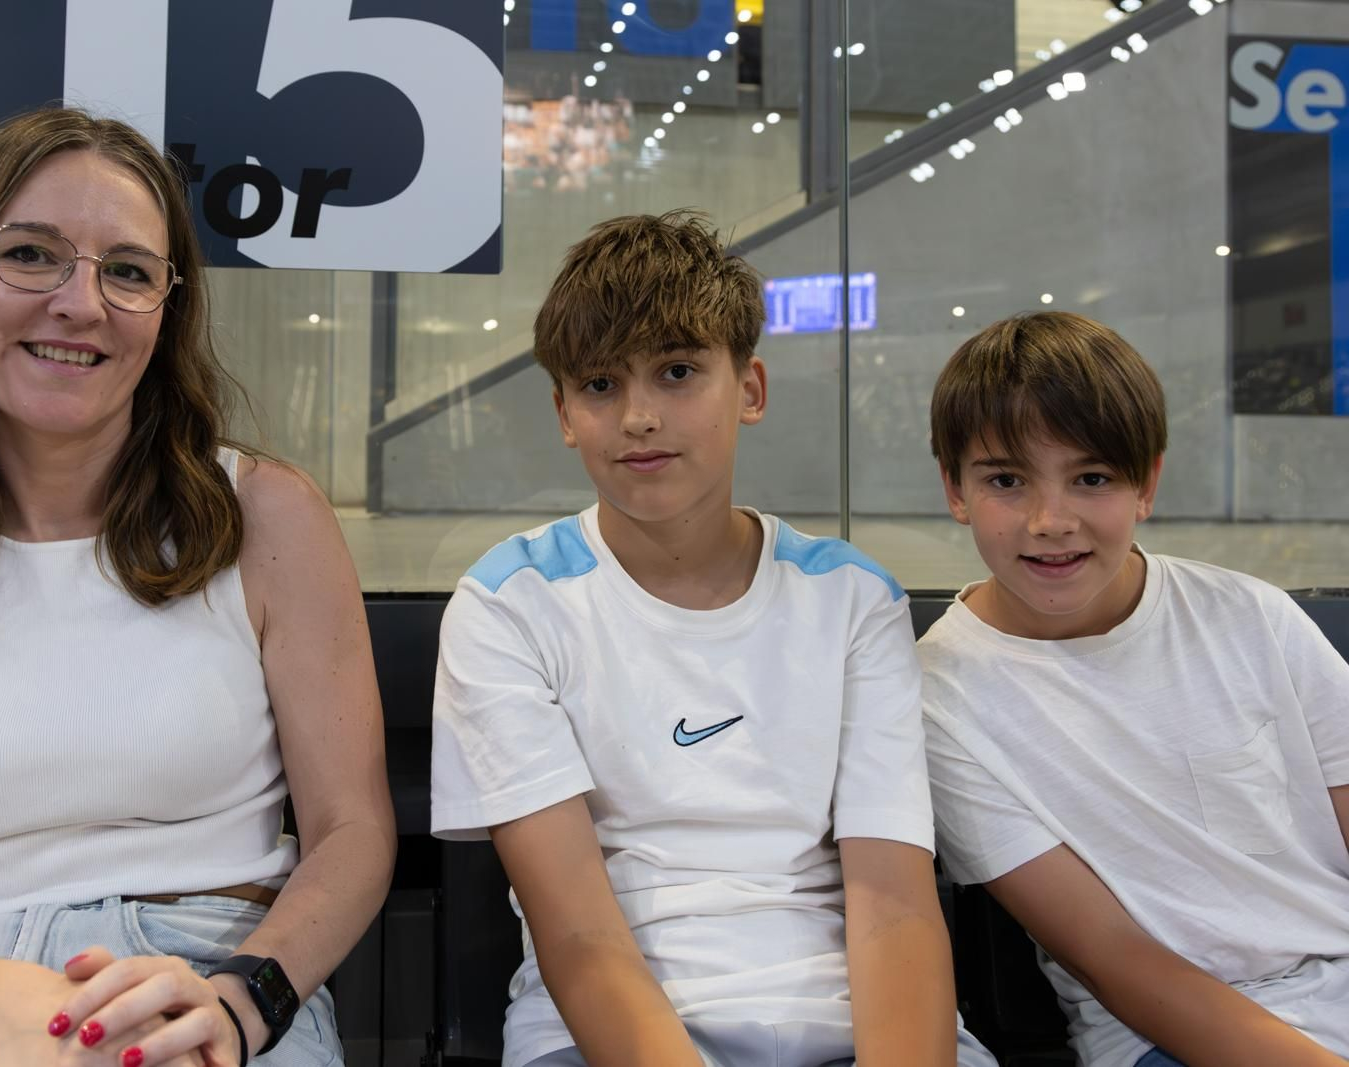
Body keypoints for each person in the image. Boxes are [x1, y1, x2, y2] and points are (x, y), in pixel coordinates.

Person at [0, 107, 396, 1067]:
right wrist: (1, 1013)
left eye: (129, 271)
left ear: (166, 312)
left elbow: (352, 832)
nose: (80, 303)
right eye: (31, 254)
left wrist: (241, 1000)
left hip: (204, 988)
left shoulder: (269, 520)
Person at [428, 211, 995, 1067]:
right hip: (607, 1038)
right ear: (564, 414)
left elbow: (896, 902)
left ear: (752, 389)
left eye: (678, 372)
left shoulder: (850, 598)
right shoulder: (509, 604)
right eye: (600, 386)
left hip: (855, 1024)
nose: (639, 417)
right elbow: (577, 930)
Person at [918, 311, 1349, 1067]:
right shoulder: (938, 696)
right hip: (1167, 1035)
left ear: (1145, 482)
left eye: (1091, 478)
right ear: (955, 487)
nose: (1051, 521)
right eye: (1007, 480)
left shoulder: (1250, 615)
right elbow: (1113, 958)